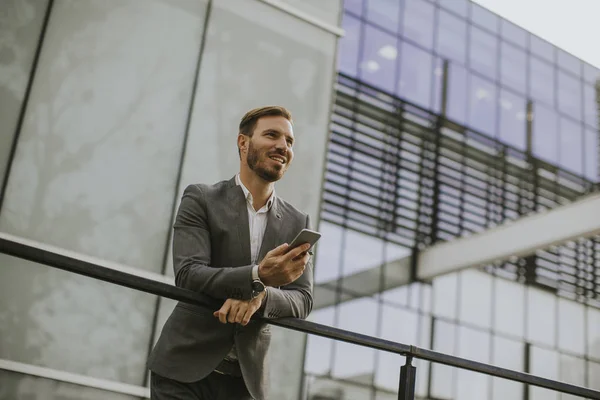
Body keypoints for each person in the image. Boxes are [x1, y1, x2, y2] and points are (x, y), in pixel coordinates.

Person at [147, 106, 314, 400]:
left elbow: (303, 298)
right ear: (243, 142)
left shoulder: (297, 222)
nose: (282, 146)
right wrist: (258, 275)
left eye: (289, 141)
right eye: (272, 135)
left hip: (245, 383)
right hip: (183, 370)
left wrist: (260, 296)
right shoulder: (202, 198)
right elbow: (188, 273)